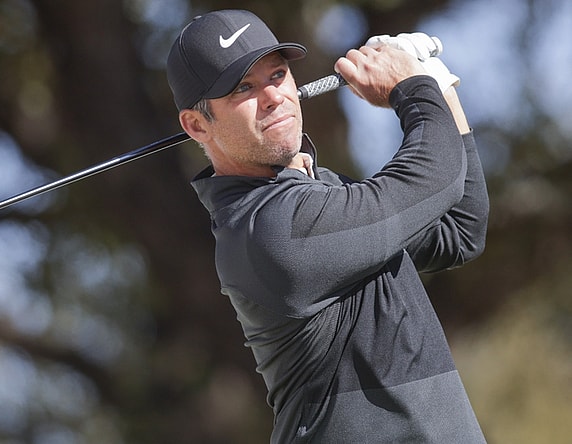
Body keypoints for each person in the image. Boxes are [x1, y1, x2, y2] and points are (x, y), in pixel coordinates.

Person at [166, 9, 489, 443]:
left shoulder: (319, 194)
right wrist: (411, 88)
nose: (272, 96)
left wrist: (437, 85)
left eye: (277, 75)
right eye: (242, 87)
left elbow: (459, 231)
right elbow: (434, 176)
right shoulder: (268, 228)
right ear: (196, 125)